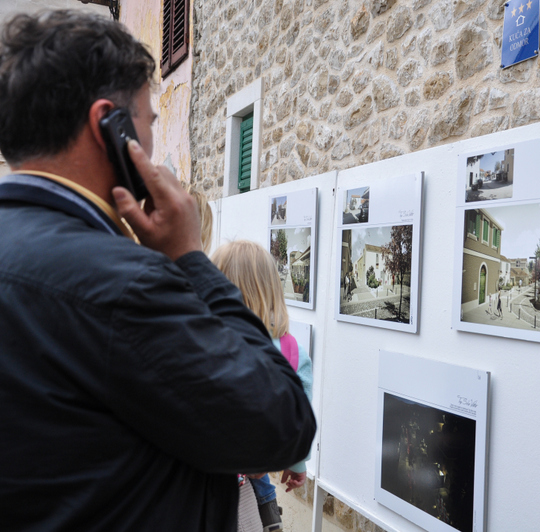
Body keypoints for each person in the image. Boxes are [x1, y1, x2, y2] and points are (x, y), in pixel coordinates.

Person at [0, 10, 315, 532]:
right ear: (109, 126)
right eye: (149, 124)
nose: (153, 147)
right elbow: (280, 423)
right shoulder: (123, 282)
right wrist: (189, 258)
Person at [212, 241, 314, 532]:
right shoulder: (292, 351)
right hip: (257, 478)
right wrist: (297, 464)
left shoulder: (209, 341)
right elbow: (300, 420)